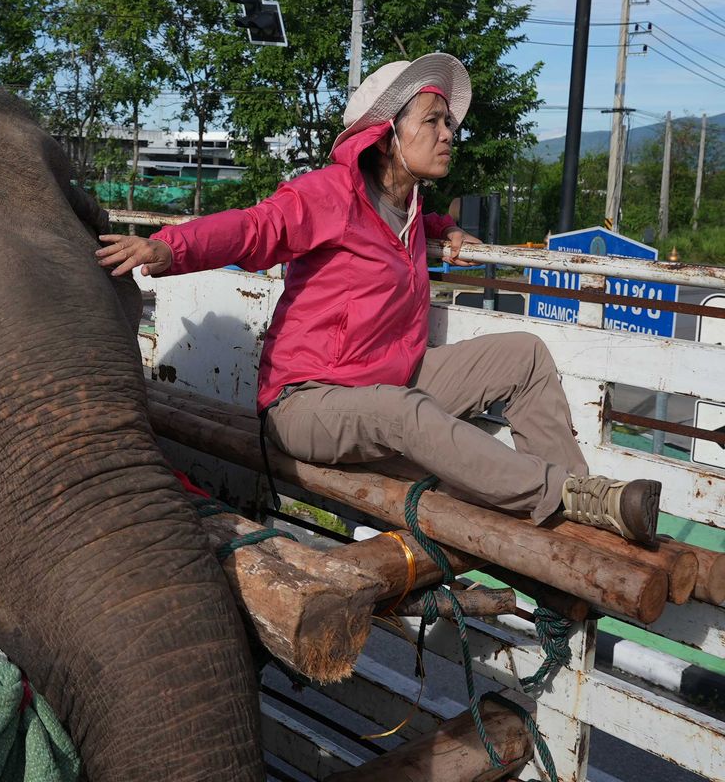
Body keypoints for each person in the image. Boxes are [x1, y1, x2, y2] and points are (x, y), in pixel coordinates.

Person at [96, 53, 661, 543]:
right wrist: (170, 248)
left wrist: (446, 228)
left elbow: (414, 225)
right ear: (388, 135)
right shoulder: (328, 195)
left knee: (524, 353)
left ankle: (588, 502)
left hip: (387, 379)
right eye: (433, 122)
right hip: (306, 402)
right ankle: (556, 492)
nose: (448, 135)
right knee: (403, 411)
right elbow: (256, 228)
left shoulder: (414, 210)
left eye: (449, 124)